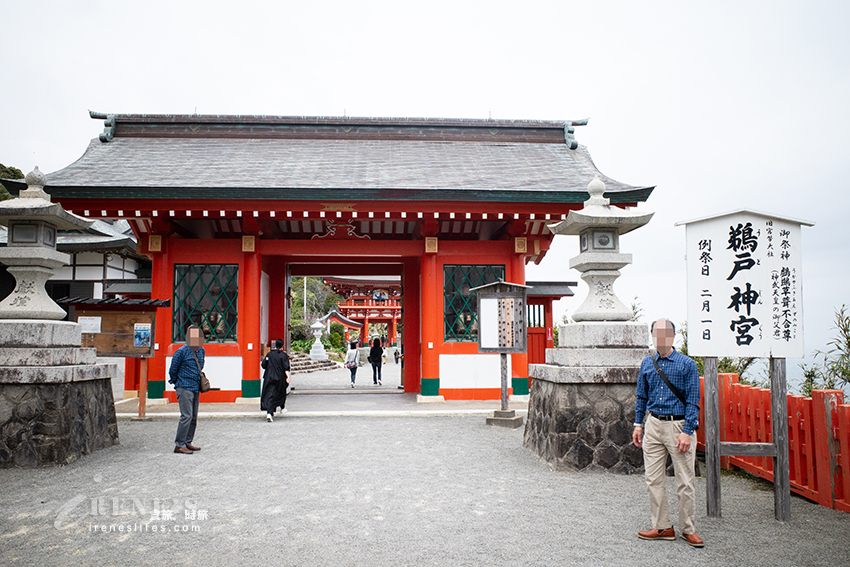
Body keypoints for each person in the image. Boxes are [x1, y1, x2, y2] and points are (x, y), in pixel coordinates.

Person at [633, 319, 704, 548]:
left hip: (678, 426)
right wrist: (638, 424)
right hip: (653, 424)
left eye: (666, 333)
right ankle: (662, 526)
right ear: (652, 335)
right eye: (657, 333)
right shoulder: (647, 363)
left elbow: (693, 401)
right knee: (653, 479)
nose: (661, 337)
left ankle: (688, 529)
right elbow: (641, 396)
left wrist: (687, 431)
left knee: (685, 481)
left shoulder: (687, 364)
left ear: (674, 336)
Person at [169, 325, 204, 454]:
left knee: (193, 417)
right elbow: (173, 369)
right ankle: (179, 444)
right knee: (186, 416)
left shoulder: (201, 351)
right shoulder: (181, 351)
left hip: (195, 387)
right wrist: (176, 382)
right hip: (184, 386)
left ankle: (188, 442)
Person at [260, 338, 291, 422]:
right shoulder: (284, 356)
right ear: (282, 346)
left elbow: (263, 365)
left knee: (269, 394)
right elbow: (286, 368)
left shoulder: (269, 354)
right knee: (280, 393)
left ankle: (269, 412)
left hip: (269, 377)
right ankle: (281, 407)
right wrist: (288, 377)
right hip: (280, 377)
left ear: (275, 345)